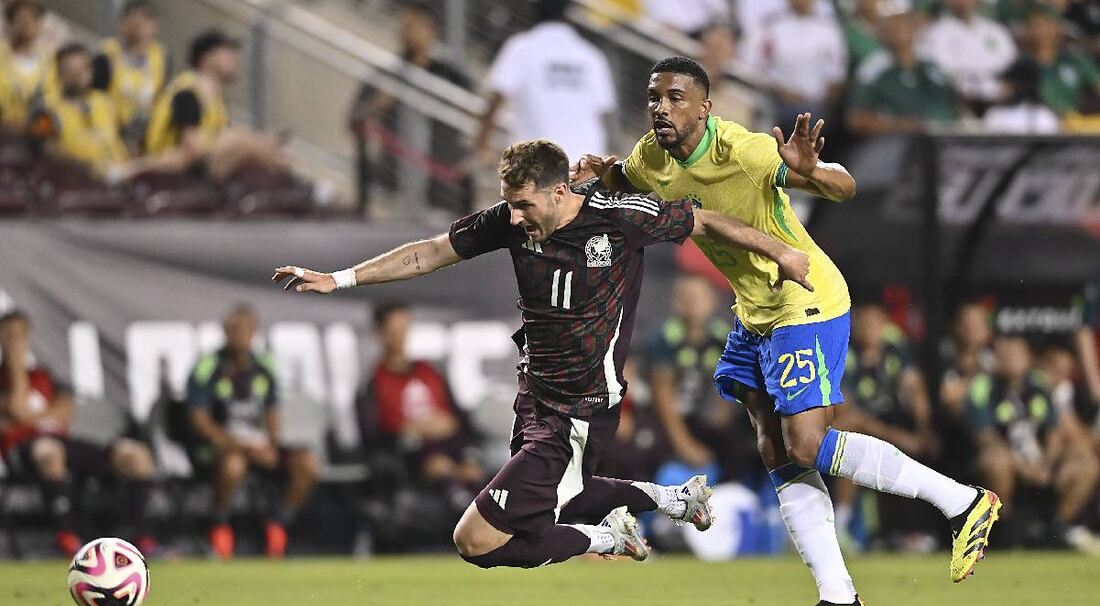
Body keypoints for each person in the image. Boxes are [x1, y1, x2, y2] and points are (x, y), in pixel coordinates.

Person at [575, 55, 998, 606]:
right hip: (756, 311)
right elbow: (630, 180)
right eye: (654, 97)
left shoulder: (745, 153)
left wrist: (812, 170)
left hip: (805, 297)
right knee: (773, 444)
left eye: (675, 98)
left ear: (705, 107)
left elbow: (844, 187)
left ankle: (962, 501)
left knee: (805, 442)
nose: (661, 108)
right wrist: (604, 174)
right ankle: (838, 600)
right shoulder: (650, 153)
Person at [273, 138, 815, 568]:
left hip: (582, 405)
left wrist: (783, 252)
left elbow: (704, 220)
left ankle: (607, 539)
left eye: (524, 204)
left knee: (477, 540)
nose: (514, 218)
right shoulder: (512, 220)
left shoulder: (619, 216)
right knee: (567, 499)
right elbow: (431, 252)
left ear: (560, 192)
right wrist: (338, 278)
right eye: (509, 204)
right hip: (534, 396)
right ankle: (673, 502)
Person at [0, 310, 157, 557]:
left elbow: (65, 412)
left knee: (135, 455)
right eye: (9, 336)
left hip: (64, 442)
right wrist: (17, 371)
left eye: (20, 335)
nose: (16, 341)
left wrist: (29, 418)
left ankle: (143, 538)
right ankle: (67, 536)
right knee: (48, 451)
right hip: (23, 452)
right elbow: (16, 409)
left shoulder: (43, 375)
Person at [186, 305, 319, 559]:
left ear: (255, 332)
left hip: (257, 447)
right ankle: (220, 525)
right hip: (219, 449)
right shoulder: (208, 367)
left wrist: (271, 445)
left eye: (247, 330)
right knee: (233, 465)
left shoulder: (264, 366)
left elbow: (272, 413)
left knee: (308, 463)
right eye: (235, 330)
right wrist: (238, 445)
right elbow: (199, 421)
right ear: (225, 333)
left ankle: (279, 524)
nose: (241, 335)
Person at [966, 336, 1100, 554]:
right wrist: (1024, 468)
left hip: (1039, 462)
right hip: (1008, 462)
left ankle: (1057, 528)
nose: (1012, 360)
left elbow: (1054, 431)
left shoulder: (1039, 385)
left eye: (1017, 354)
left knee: (1086, 463)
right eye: (1006, 355)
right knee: (996, 460)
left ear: (1029, 358)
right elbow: (985, 437)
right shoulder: (984, 386)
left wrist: (1047, 462)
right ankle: (1007, 528)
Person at [356, 301, 485, 514]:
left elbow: (459, 416)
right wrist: (409, 429)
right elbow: (370, 437)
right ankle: (460, 509)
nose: (400, 337)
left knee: (472, 469)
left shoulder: (431, 372)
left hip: (450, 444)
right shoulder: (373, 384)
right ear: (380, 334)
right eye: (393, 331)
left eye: (404, 329)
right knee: (435, 463)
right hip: (408, 453)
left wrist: (450, 424)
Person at [347, 1, 471, 216]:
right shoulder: (386, 75)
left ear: (432, 29)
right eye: (405, 26)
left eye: (416, 26)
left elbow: (474, 123)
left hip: (441, 193)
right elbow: (354, 121)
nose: (409, 33)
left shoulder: (452, 78)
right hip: (392, 189)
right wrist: (379, 104)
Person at [832, 303, 939, 552]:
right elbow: (848, 414)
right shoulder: (845, 357)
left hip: (889, 425)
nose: (869, 329)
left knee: (924, 446)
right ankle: (842, 524)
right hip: (856, 430)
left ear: (884, 326)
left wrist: (924, 429)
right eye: (864, 324)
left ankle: (914, 531)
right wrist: (901, 437)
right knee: (852, 441)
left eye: (875, 323)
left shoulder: (894, 355)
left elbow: (916, 388)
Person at [476, 0, 616, 164]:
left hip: (536, 164)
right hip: (584, 164)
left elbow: (496, 97)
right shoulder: (590, 55)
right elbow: (604, 112)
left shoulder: (521, 48)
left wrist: (482, 143)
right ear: (568, 15)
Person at [139, 29, 289, 182]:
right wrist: (243, 143)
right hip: (164, 167)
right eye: (227, 52)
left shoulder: (217, 99)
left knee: (265, 153)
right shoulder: (188, 91)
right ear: (208, 57)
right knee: (239, 142)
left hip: (196, 169)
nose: (234, 58)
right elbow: (193, 148)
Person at [647, 274, 740, 480]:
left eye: (697, 298)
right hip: (664, 424)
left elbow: (729, 385)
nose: (691, 304)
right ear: (675, 301)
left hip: (701, 421)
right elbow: (663, 397)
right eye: (685, 297)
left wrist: (721, 418)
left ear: (712, 301)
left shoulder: (721, 337)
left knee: (733, 444)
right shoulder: (665, 338)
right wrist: (684, 445)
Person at [846, 9, 959, 135]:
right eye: (891, 28)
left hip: (947, 137)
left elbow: (955, 102)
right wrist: (903, 126)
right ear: (880, 33)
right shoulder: (872, 69)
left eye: (903, 26)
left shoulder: (932, 64)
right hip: (896, 142)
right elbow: (857, 119)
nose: (899, 32)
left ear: (914, 29)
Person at [739, 0, 847, 129]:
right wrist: (781, 92)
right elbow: (755, 67)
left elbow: (837, 75)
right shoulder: (771, 26)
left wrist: (826, 104)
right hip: (777, 102)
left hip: (816, 105)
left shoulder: (828, 29)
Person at [28, 42, 129, 176]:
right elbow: (44, 153)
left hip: (121, 177)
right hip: (76, 183)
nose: (78, 74)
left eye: (84, 67)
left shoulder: (105, 101)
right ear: (58, 74)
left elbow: (122, 138)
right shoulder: (47, 111)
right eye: (70, 69)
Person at [93, 0, 169, 151]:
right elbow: (95, 98)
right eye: (134, 19)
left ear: (155, 26)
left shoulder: (162, 57)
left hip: (144, 134)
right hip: (108, 131)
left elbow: (161, 98)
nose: (139, 25)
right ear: (121, 22)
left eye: (146, 20)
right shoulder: (106, 54)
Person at [917, 0, 1016, 111]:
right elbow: (936, 72)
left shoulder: (996, 31)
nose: (963, 2)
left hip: (1001, 101)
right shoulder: (934, 32)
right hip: (959, 104)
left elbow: (1011, 63)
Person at [0, 0, 56, 126]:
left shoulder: (50, 64)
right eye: (21, 18)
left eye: (32, 18)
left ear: (39, 25)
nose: (26, 24)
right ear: (9, 23)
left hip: (38, 138)